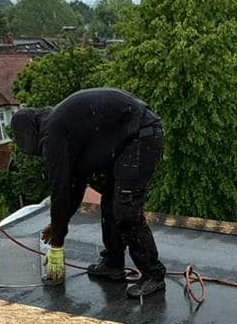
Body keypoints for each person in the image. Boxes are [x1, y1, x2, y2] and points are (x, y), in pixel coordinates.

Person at [10, 88, 167, 298]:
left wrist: (57, 244)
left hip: (142, 135)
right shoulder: (61, 127)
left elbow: (60, 190)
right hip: (130, 137)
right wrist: (59, 224)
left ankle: (153, 275)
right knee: (110, 202)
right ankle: (113, 264)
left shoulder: (53, 134)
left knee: (126, 209)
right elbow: (75, 185)